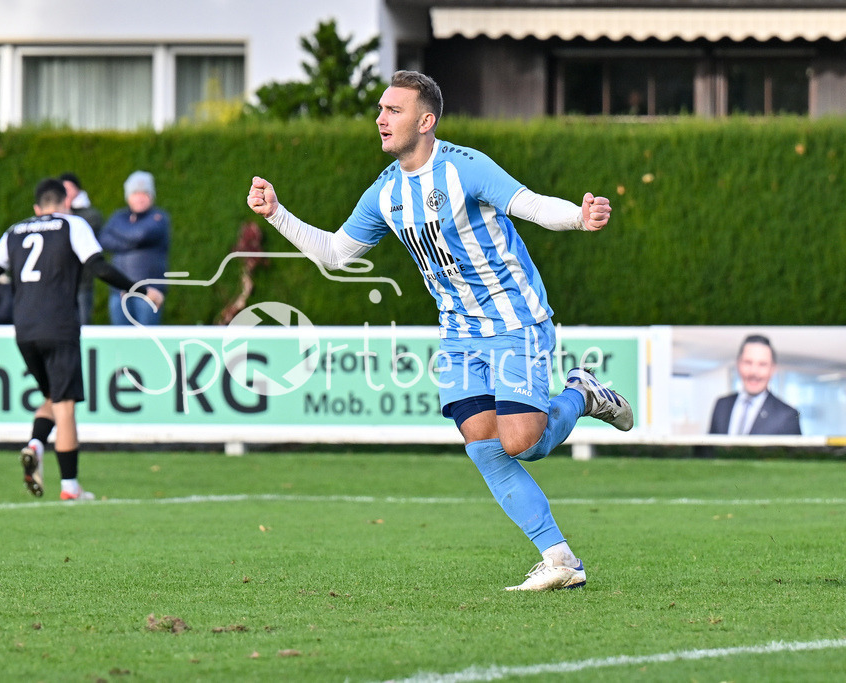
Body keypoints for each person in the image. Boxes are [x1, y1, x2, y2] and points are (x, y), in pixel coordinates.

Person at [247, 70, 633, 592]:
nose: (381, 118)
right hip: (457, 333)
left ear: (426, 121)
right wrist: (278, 214)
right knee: (484, 443)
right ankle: (560, 558)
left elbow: (533, 205)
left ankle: (582, 395)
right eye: (381, 109)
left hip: (515, 320)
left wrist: (579, 218)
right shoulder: (385, 192)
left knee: (522, 442)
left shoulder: (465, 168)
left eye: (394, 110)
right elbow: (335, 255)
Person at [0, 179, 163, 501]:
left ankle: (35, 443)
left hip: (25, 330)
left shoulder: (15, 231)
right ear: (64, 203)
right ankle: (70, 487)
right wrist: (144, 290)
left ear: (36, 208)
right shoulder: (72, 224)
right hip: (59, 326)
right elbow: (99, 268)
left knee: (51, 395)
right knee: (65, 407)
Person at [98, 170, 170, 325]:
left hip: (149, 293)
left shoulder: (159, 217)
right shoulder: (119, 216)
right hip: (120, 293)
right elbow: (104, 240)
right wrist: (131, 241)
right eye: (135, 193)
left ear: (151, 195)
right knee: (121, 343)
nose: (140, 198)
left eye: (144, 193)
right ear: (128, 196)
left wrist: (121, 236)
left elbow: (141, 234)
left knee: (147, 343)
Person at [708, 334, 801, 435]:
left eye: (762, 364)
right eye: (748, 362)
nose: (754, 372)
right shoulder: (721, 405)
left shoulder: (787, 415)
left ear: (773, 369)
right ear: (738, 364)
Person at [60, 172, 105, 325]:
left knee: (83, 322)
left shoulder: (90, 215)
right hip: (60, 281)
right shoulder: (56, 215)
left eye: (69, 188)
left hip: (82, 280)